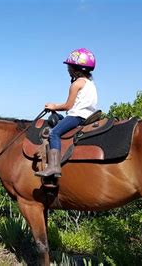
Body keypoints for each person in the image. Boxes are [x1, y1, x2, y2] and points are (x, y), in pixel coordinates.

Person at [35, 48, 98, 178]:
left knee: (54, 133)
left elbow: (68, 106)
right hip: (87, 115)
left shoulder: (76, 84)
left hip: (77, 116)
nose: (68, 69)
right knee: (59, 119)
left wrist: (53, 106)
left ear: (75, 68)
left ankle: (54, 166)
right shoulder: (90, 83)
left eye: (69, 67)